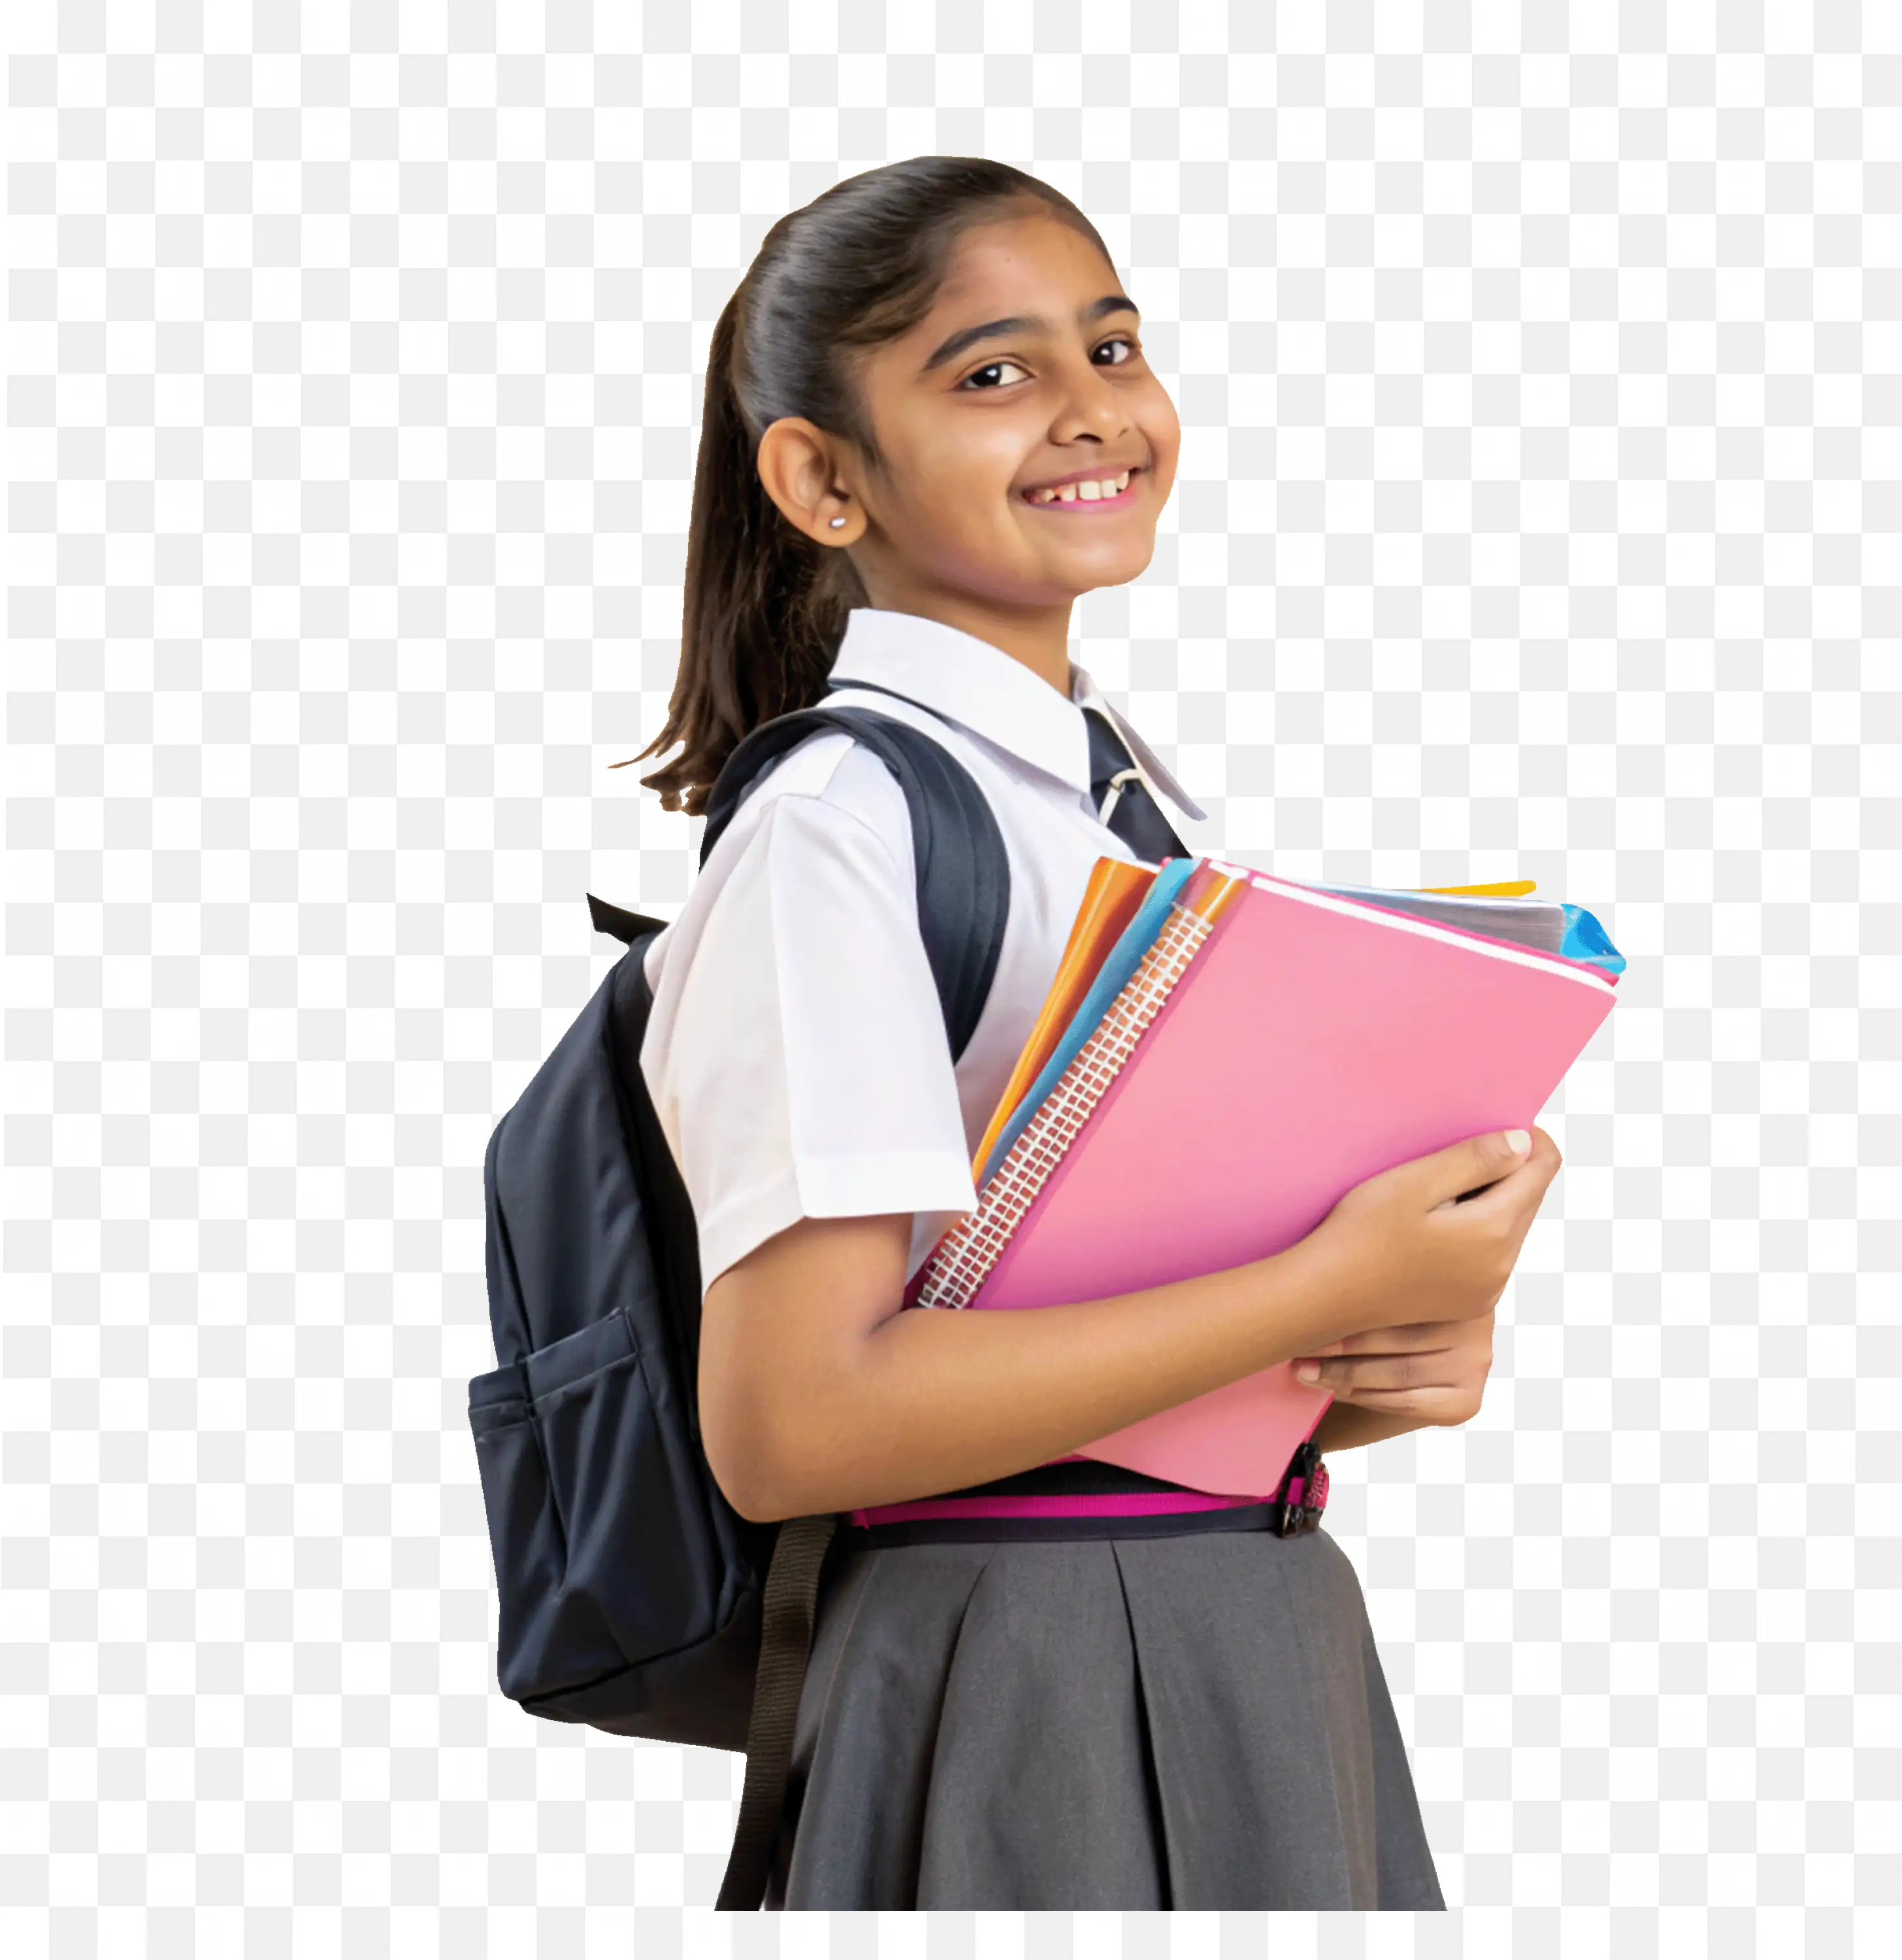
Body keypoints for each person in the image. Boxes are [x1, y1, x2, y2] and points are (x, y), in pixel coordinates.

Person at [624, 155, 1561, 1910]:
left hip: (1254, 1625)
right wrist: (1318, 1296)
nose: (1090, 412)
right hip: (1022, 1670)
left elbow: (1089, 1343)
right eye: (992, 373)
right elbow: (798, 1422)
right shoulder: (834, 831)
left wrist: (1364, 1373)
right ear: (823, 478)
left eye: (1113, 347)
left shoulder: (1122, 810)